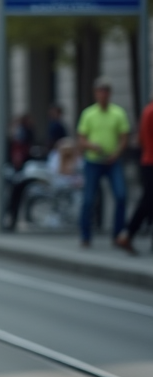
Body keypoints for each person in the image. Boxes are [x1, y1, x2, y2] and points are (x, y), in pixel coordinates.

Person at [77, 76, 129, 248]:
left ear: (110, 94)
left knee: (121, 195)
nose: (103, 95)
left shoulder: (118, 113)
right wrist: (91, 145)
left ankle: (117, 234)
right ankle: (85, 235)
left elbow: (124, 137)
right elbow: (81, 139)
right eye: (100, 91)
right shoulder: (89, 114)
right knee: (89, 199)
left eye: (106, 91)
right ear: (95, 94)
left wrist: (117, 153)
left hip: (112, 161)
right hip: (93, 161)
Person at [116, 92, 153, 254]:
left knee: (148, 201)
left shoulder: (147, 110)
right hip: (151, 162)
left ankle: (128, 234)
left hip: (147, 161)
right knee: (147, 202)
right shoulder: (151, 112)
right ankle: (128, 233)